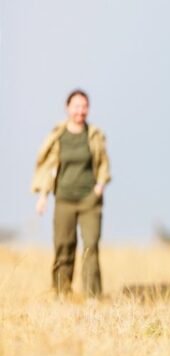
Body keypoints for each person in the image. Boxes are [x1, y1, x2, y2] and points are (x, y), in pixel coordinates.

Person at [31, 89, 111, 299]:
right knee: (63, 245)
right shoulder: (59, 136)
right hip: (64, 198)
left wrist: (100, 186)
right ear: (67, 108)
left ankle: (93, 296)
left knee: (91, 245)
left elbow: (103, 164)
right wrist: (42, 197)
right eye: (76, 106)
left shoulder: (93, 135)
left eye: (84, 106)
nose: (80, 111)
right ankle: (61, 292)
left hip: (89, 200)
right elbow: (49, 167)